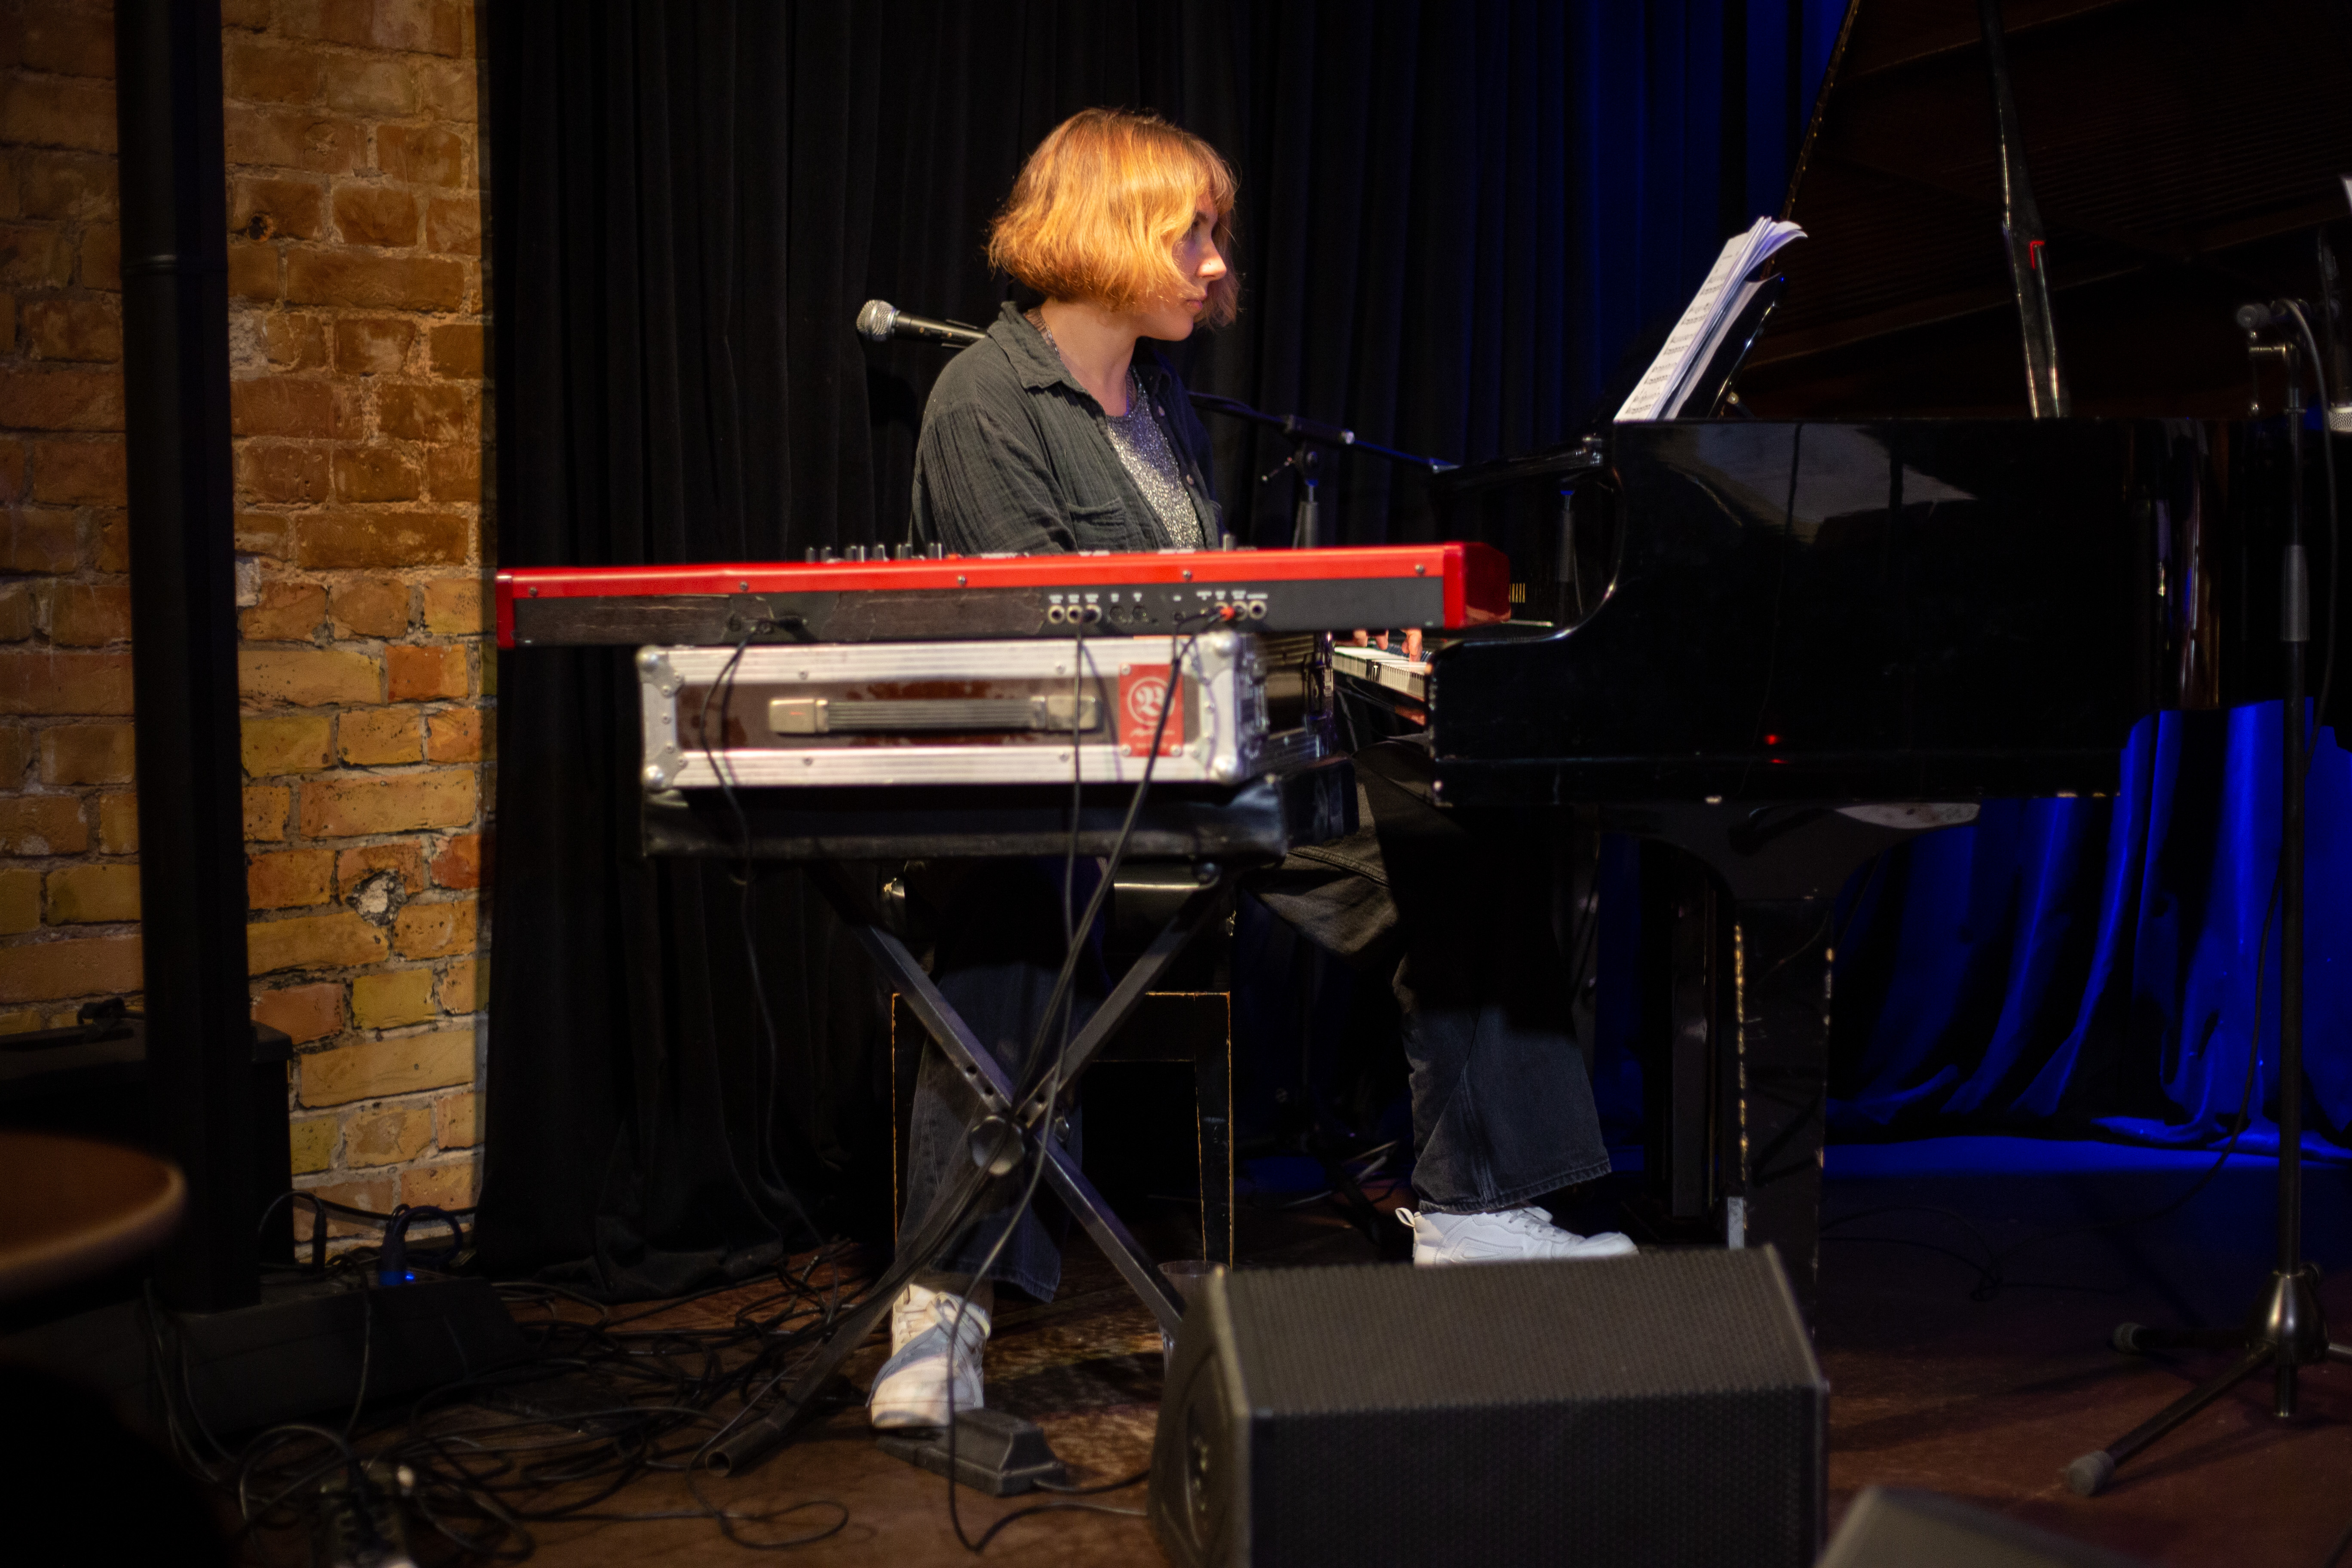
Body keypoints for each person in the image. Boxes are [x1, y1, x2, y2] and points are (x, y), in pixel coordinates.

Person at [873, 107, 1629, 1433]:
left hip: (1212, 769)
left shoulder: (1160, 401)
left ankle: (1480, 1211)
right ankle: (947, 1299)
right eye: (1193, 234)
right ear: (1108, 231)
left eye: (1215, 233)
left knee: (1454, 833)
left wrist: (1329, 646)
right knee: (1011, 898)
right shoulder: (984, 401)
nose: (1218, 262)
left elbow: (1215, 597)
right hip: (1073, 784)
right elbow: (1053, 636)